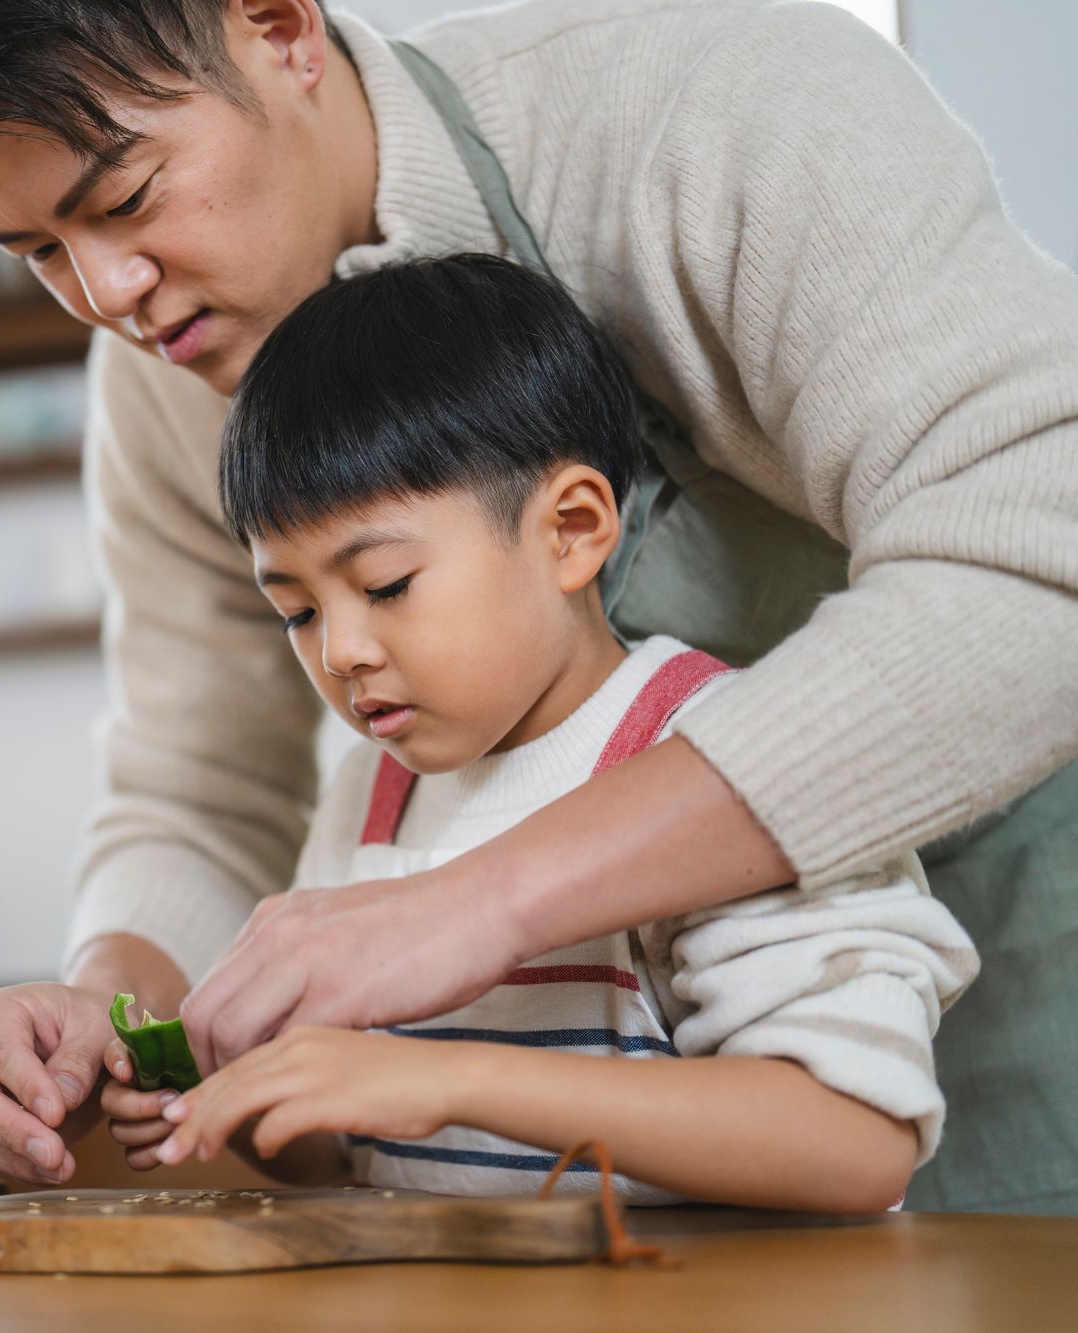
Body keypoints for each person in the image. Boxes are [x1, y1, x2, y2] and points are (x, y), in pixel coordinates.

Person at [0, 0, 1078, 1211]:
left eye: (123, 200)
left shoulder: (716, 115)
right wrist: (106, 1005)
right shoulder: (166, 383)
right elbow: (199, 784)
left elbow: (1035, 548)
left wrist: (483, 902)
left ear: (276, 30)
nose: (111, 292)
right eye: (38, 253)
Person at [104, 253, 979, 1210]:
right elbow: (354, 1148)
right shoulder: (371, 796)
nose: (342, 649)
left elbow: (853, 1137)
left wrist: (455, 1081)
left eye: (386, 585)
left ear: (570, 528)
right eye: (299, 611)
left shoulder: (720, 760)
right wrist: (230, 1094)